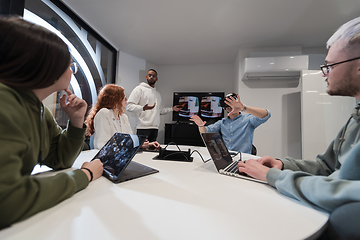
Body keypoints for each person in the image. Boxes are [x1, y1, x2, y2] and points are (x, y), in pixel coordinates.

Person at [237, 17, 360, 239]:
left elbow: (346, 192)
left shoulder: (246, 118)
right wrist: (283, 164)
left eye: (329, 66)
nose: (324, 73)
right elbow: (326, 166)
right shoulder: (355, 119)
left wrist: (272, 176)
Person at [0, 17, 103, 229]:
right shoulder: (5, 102)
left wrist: (76, 120)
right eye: (69, 65)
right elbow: (7, 201)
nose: (71, 71)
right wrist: (85, 175)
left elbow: (59, 159)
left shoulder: (38, 109)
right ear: (47, 66)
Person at [85, 84, 161, 150]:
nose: (126, 99)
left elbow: (129, 141)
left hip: (121, 156)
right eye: (124, 97)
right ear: (114, 99)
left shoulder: (123, 117)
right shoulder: (103, 113)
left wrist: (145, 145)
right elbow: (103, 144)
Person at [190, 93, 271, 154]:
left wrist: (243, 108)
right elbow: (205, 131)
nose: (228, 107)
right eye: (226, 105)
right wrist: (200, 125)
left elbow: (266, 115)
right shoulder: (222, 122)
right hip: (226, 158)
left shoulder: (248, 120)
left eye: (231, 104)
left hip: (243, 158)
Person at [126, 69, 182, 142]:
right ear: (146, 77)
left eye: (154, 76)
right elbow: (129, 106)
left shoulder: (157, 94)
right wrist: (143, 108)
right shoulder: (139, 89)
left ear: (157, 79)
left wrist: (172, 109)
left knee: (152, 151)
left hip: (155, 128)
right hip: (142, 127)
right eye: (150, 75)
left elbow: (159, 110)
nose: (151, 77)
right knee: (142, 151)